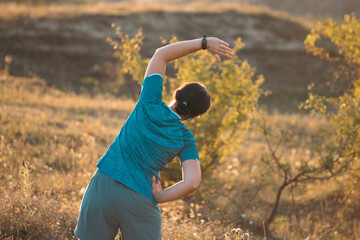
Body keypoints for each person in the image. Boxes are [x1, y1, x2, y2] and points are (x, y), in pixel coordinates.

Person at [74, 35, 234, 240]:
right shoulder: (186, 139)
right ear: (196, 116)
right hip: (140, 199)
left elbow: (161, 54)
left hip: (103, 185)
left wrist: (203, 43)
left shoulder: (149, 101)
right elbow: (192, 183)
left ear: (176, 93)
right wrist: (159, 196)